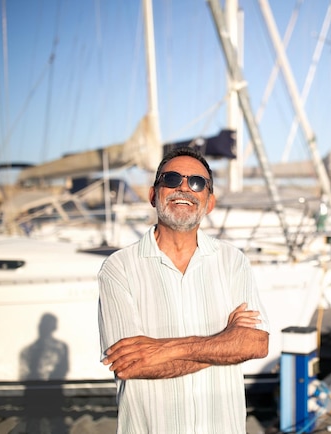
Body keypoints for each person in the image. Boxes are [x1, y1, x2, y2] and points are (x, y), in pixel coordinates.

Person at [98, 147, 270, 433]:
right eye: (172, 179)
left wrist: (162, 349)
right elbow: (130, 366)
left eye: (197, 182)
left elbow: (256, 344)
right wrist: (225, 344)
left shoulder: (232, 261)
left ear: (209, 202)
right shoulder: (119, 268)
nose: (184, 188)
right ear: (153, 195)